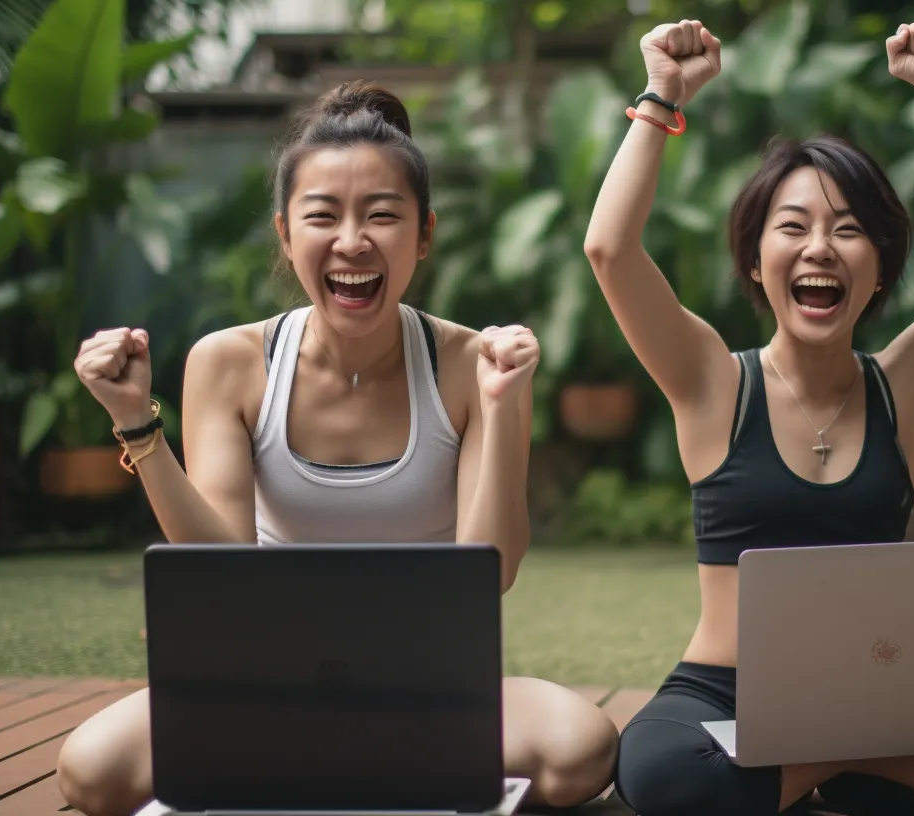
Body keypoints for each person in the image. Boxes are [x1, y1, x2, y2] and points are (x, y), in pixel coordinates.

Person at [55, 82, 618, 816]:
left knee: (579, 748)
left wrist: (504, 409)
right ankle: (363, 769)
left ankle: (317, 773)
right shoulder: (229, 362)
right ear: (287, 235)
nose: (353, 241)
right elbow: (219, 572)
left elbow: (493, 572)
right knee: (92, 771)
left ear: (424, 235)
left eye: (383, 215)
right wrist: (136, 423)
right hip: (260, 689)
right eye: (323, 216)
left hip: (431, 692)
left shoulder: (473, 362)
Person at [582, 18, 914, 816]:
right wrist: (662, 97)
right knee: (663, 775)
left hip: (876, 695)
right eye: (793, 227)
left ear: (880, 269)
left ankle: (811, 769)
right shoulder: (713, 383)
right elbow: (610, 249)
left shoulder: (908, 385)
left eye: (849, 231)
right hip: (724, 691)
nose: (820, 247)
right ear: (756, 262)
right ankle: (849, 772)